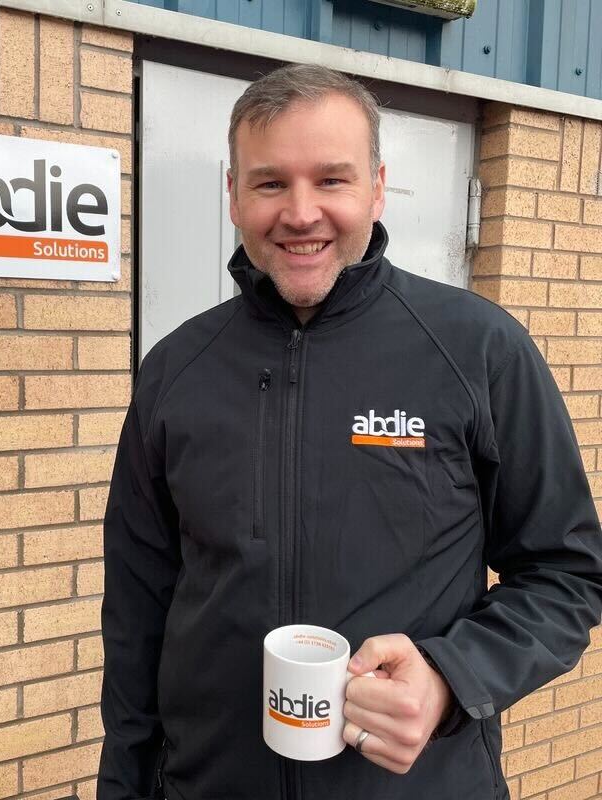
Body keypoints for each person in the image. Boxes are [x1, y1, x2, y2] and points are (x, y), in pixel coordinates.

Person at [96, 64, 602, 800]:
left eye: (331, 180)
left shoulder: (477, 349)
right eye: (271, 183)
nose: (301, 214)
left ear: (376, 186)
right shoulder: (175, 370)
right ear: (232, 195)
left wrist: (450, 676)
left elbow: (566, 573)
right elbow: (137, 612)